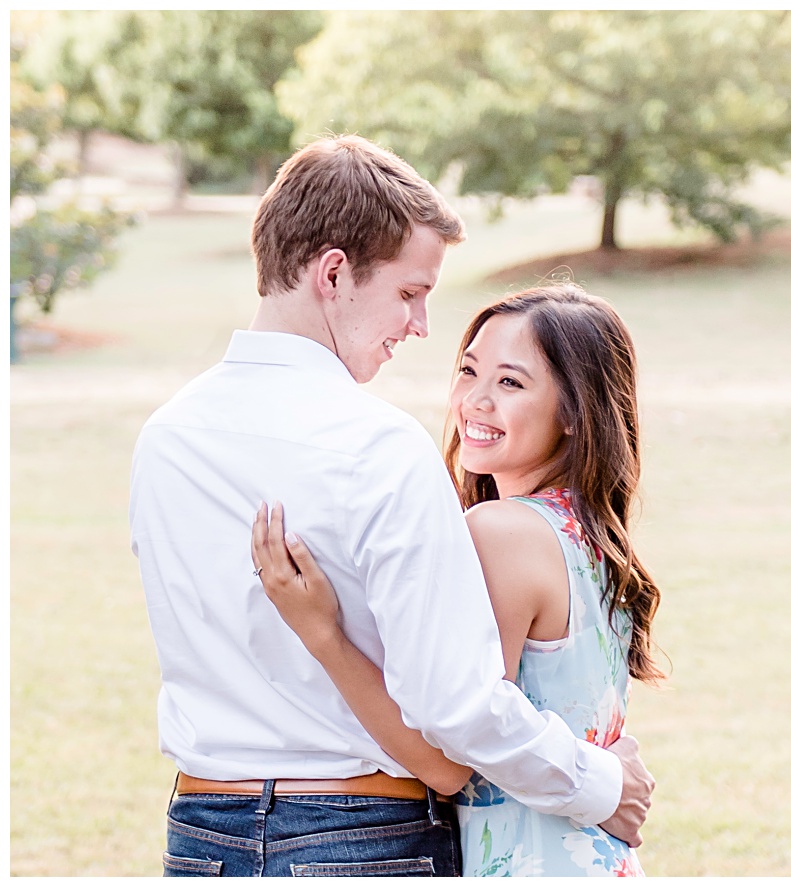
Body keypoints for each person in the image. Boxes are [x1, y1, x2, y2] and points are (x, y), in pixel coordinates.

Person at [129, 135, 652, 877]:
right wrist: (601, 783)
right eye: (410, 292)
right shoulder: (378, 444)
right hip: (362, 834)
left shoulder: (165, 438)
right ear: (333, 273)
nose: (421, 324)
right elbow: (456, 710)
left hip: (200, 835)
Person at [252, 284, 662, 876]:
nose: (475, 400)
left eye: (510, 382)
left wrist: (323, 634)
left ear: (575, 411)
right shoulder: (593, 537)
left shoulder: (500, 532)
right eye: (469, 372)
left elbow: (447, 753)